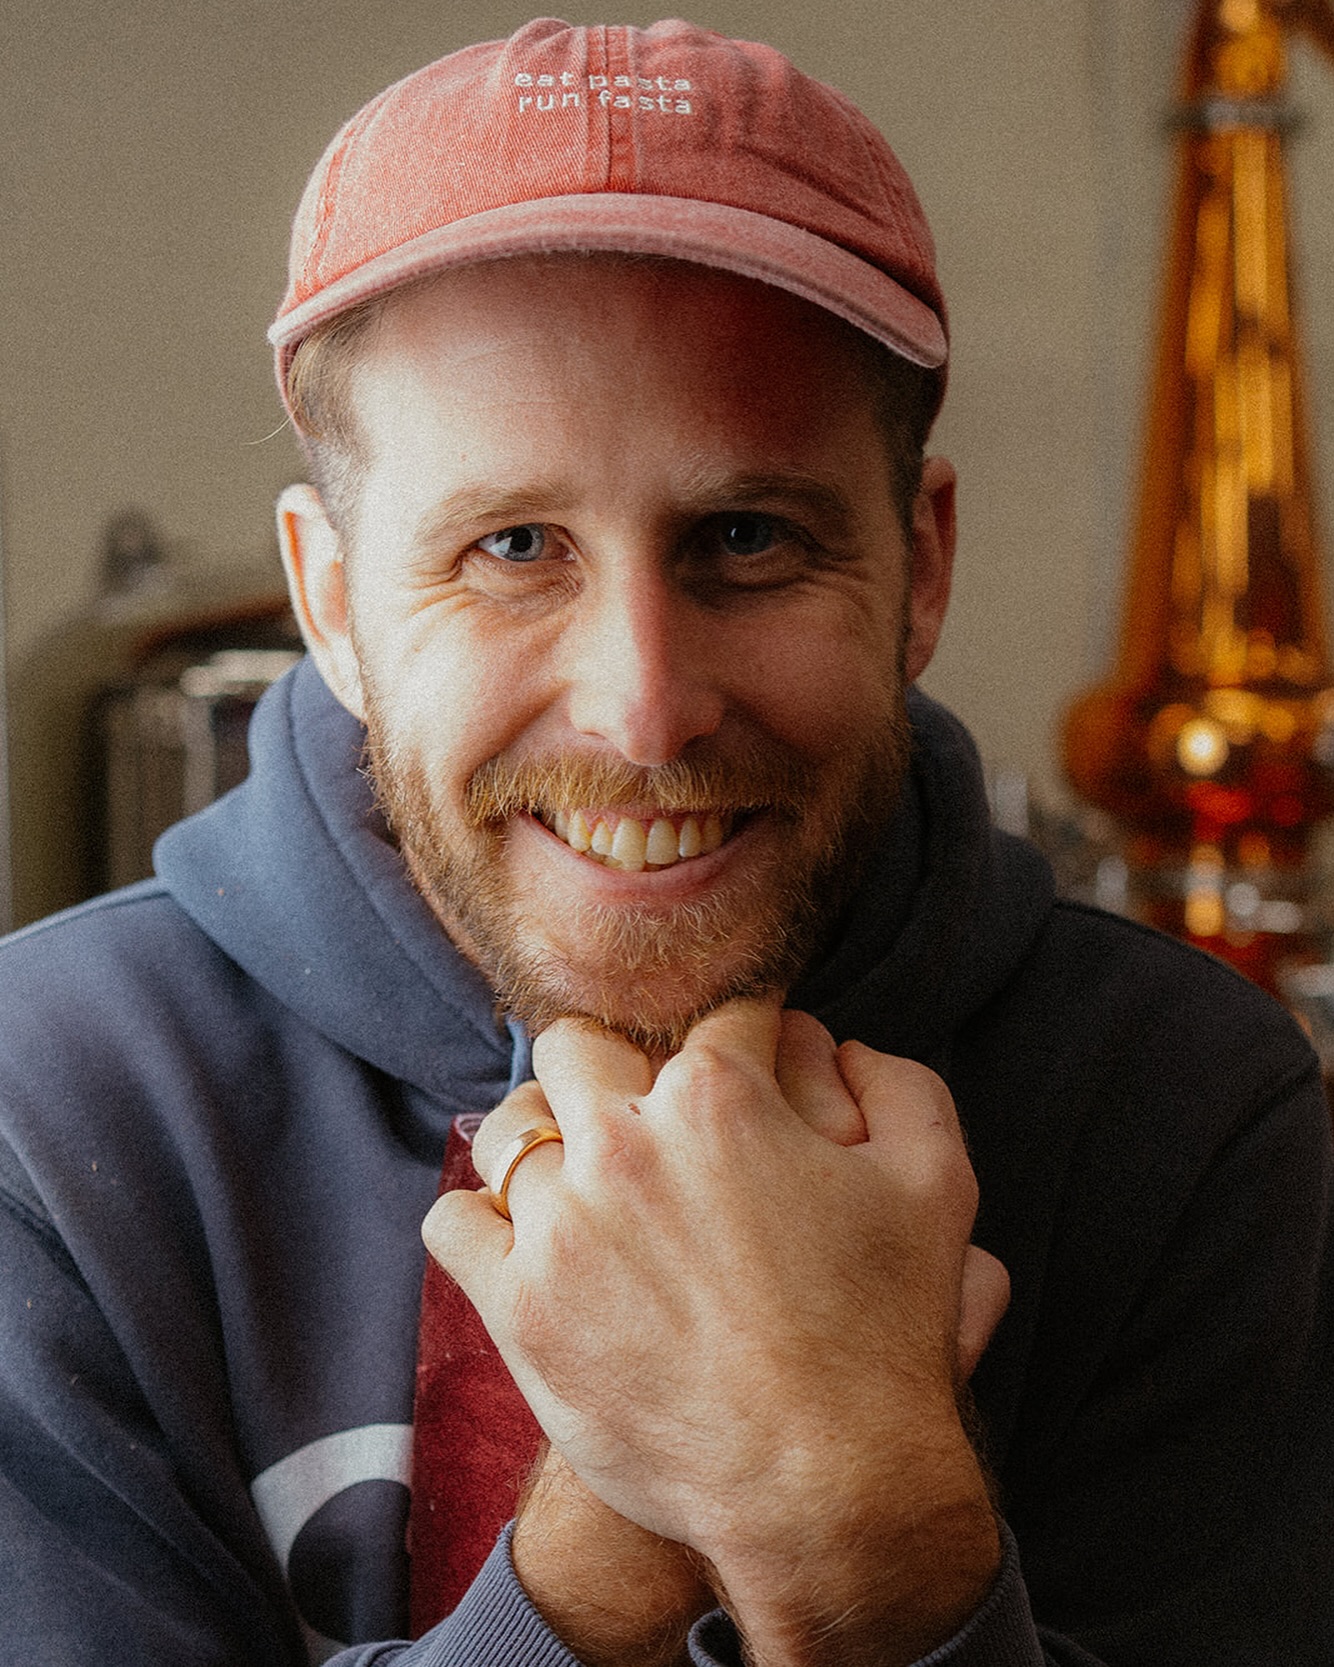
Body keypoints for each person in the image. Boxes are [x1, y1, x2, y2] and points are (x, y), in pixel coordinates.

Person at [1, 16, 1331, 1666]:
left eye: (748, 537)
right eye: (511, 545)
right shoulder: (45, 1114)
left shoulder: (1182, 1103)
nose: (642, 708)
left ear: (919, 569)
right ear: (331, 601)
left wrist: (873, 1546)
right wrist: (655, 1521)